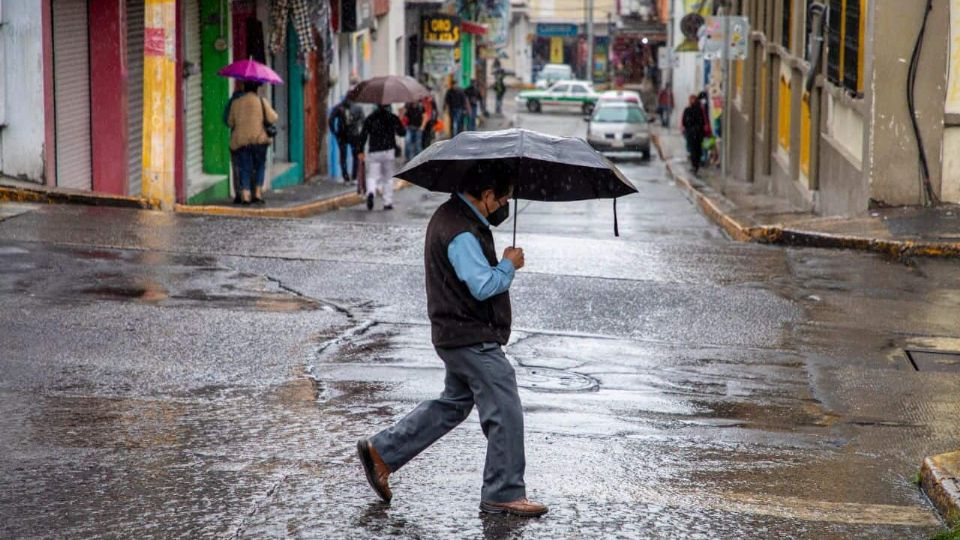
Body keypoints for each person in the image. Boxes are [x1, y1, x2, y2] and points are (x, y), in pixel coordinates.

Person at [356, 169, 548, 518]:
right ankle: (503, 492)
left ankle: (382, 452)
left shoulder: (455, 218)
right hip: (471, 336)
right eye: (503, 199)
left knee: (453, 404)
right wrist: (508, 265)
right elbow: (482, 285)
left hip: (456, 332)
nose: (504, 206)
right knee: (504, 407)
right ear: (487, 195)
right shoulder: (460, 230)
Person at [227, 81, 278, 204]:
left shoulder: (236, 103)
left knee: (244, 167)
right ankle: (258, 193)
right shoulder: (261, 101)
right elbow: (273, 117)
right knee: (259, 166)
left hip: (242, 141)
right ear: (256, 88)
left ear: (245, 88)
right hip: (259, 140)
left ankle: (245, 195)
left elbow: (230, 122)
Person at [359, 104, 405, 211]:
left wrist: (360, 150)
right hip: (388, 151)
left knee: (372, 176)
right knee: (388, 178)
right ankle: (387, 202)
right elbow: (402, 133)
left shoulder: (370, 118)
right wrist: (399, 122)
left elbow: (363, 135)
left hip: (374, 151)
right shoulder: (392, 117)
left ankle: (371, 192)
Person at [223, 85, 246, 203]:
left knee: (236, 166)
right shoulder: (253, 100)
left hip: (236, 139)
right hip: (250, 140)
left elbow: (227, 121)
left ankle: (238, 193)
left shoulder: (232, 102)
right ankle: (248, 192)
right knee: (248, 166)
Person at [681, 94, 707, 175]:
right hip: (695, 133)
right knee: (695, 149)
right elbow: (684, 121)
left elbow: (685, 122)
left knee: (695, 149)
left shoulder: (694, 110)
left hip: (695, 133)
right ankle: (695, 165)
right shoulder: (692, 109)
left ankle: (695, 165)